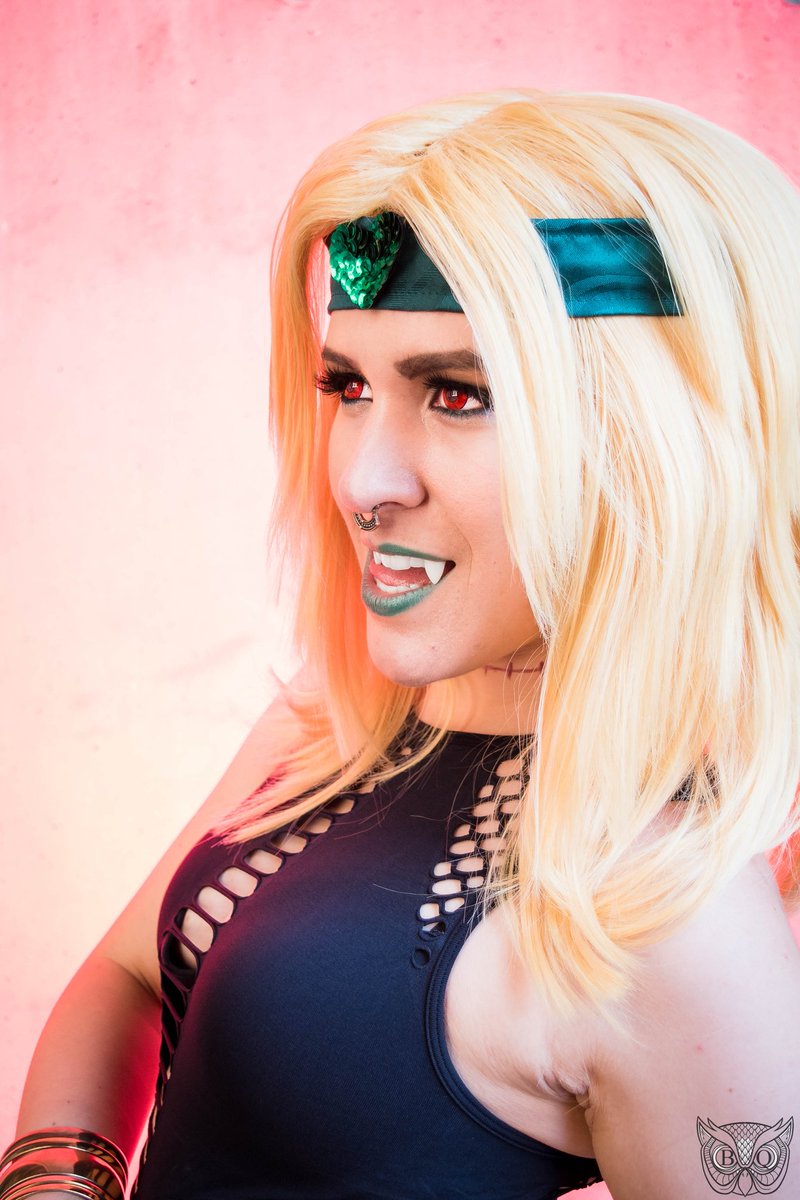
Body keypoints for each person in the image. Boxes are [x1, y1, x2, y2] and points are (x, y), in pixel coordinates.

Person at [2, 87, 799, 1200]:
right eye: (347, 385)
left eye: (458, 394)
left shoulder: (680, 922)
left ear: (651, 443)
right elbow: (130, 976)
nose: (361, 481)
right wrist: (55, 1182)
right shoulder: (334, 720)